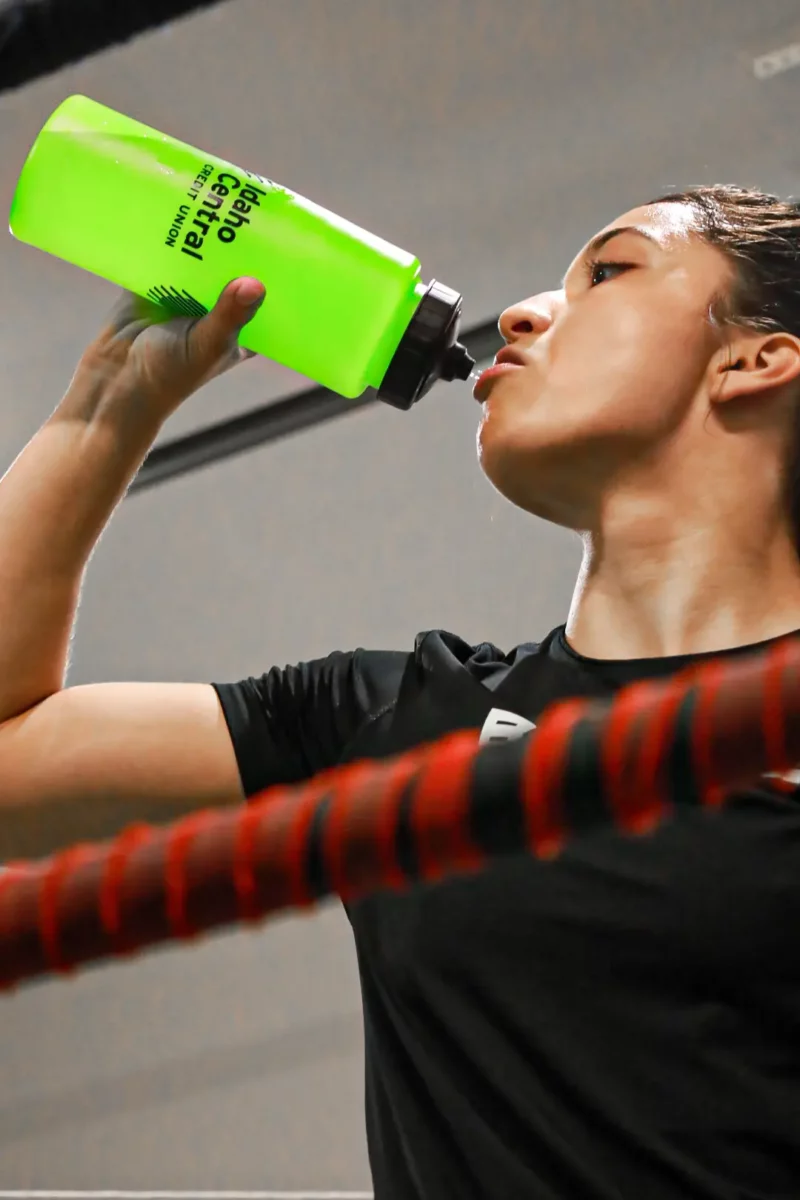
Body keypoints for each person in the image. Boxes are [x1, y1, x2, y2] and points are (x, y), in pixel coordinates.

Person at [1, 185, 800, 1199]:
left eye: (608, 271)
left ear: (753, 360)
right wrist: (110, 401)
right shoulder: (406, 721)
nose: (521, 314)